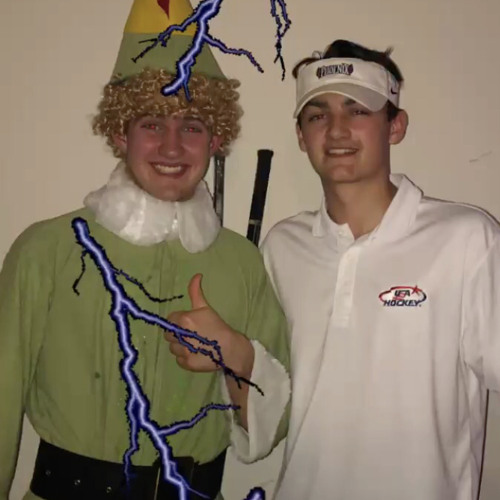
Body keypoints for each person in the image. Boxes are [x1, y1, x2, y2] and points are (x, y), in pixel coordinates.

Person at [0, 1, 289, 499]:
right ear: (120, 133)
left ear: (215, 139)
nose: (172, 147)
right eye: (152, 123)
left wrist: (238, 356)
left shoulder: (242, 263)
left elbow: (273, 423)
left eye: (191, 126)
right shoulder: (46, 250)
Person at [261, 39, 500, 500]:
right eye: (318, 116)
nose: (337, 130)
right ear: (301, 135)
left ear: (395, 125)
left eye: (358, 111)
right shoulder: (282, 246)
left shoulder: (468, 240)